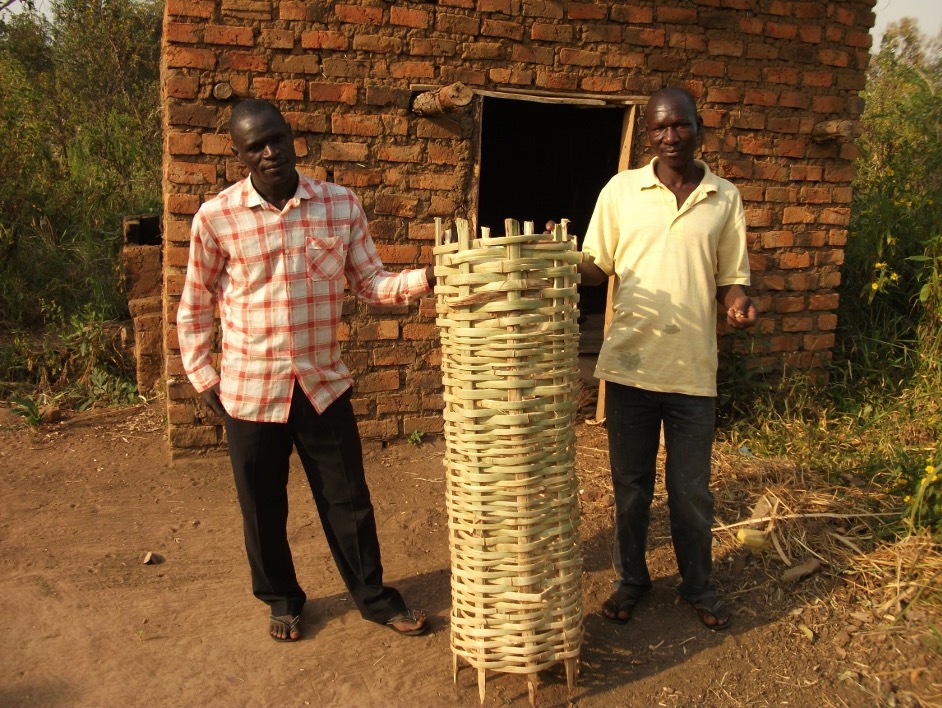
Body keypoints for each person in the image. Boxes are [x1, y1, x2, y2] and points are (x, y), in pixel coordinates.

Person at [177, 99, 432, 642]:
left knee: (349, 501)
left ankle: (375, 599)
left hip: (322, 383)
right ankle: (281, 599)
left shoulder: (338, 205)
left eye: (277, 139)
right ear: (238, 154)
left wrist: (427, 279)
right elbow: (196, 303)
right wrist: (203, 375)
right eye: (255, 147)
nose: (270, 153)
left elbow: (371, 282)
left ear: (292, 137)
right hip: (249, 389)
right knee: (262, 508)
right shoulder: (216, 218)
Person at [577, 87, 757, 630]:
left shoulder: (725, 198)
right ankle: (632, 580)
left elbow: (732, 278)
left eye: (681, 126)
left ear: (699, 127)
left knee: (691, 492)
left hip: (692, 371)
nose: (671, 136)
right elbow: (595, 265)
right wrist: (556, 259)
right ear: (648, 136)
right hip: (630, 366)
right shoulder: (621, 191)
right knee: (631, 490)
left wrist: (740, 303)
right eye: (659, 128)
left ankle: (698, 585)